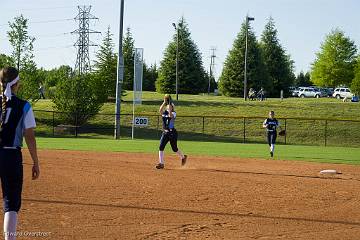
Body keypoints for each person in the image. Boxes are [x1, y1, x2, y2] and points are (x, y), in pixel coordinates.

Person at [0, 67, 40, 240]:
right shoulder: (24, 106)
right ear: (16, 84)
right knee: (11, 203)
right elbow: (29, 136)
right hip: (11, 157)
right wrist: (36, 162)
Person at [156, 94, 187, 169]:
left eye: (170, 106)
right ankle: (161, 163)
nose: (168, 107)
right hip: (165, 133)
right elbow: (160, 110)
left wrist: (170, 105)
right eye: (168, 106)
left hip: (172, 133)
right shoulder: (164, 113)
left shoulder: (173, 113)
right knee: (161, 147)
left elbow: (170, 116)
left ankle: (183, 157)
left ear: (172, 108)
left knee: (174, 148)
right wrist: (164, 102)